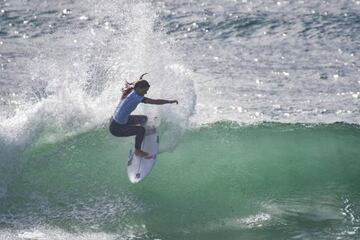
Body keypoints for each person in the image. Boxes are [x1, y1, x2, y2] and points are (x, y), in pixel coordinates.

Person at [109, 73, 178, 157]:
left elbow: (135, 84)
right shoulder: (136, 98)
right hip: (116, 128)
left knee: (144, 119)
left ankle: (142, 135)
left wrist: (140, 79)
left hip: (116, 120)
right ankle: (137, 150)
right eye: (145, 90)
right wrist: (169, 101)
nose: (145, 93)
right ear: (138, 88)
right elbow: (155, 102)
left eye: (147, 90)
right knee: (140, 130)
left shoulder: (132, 90)